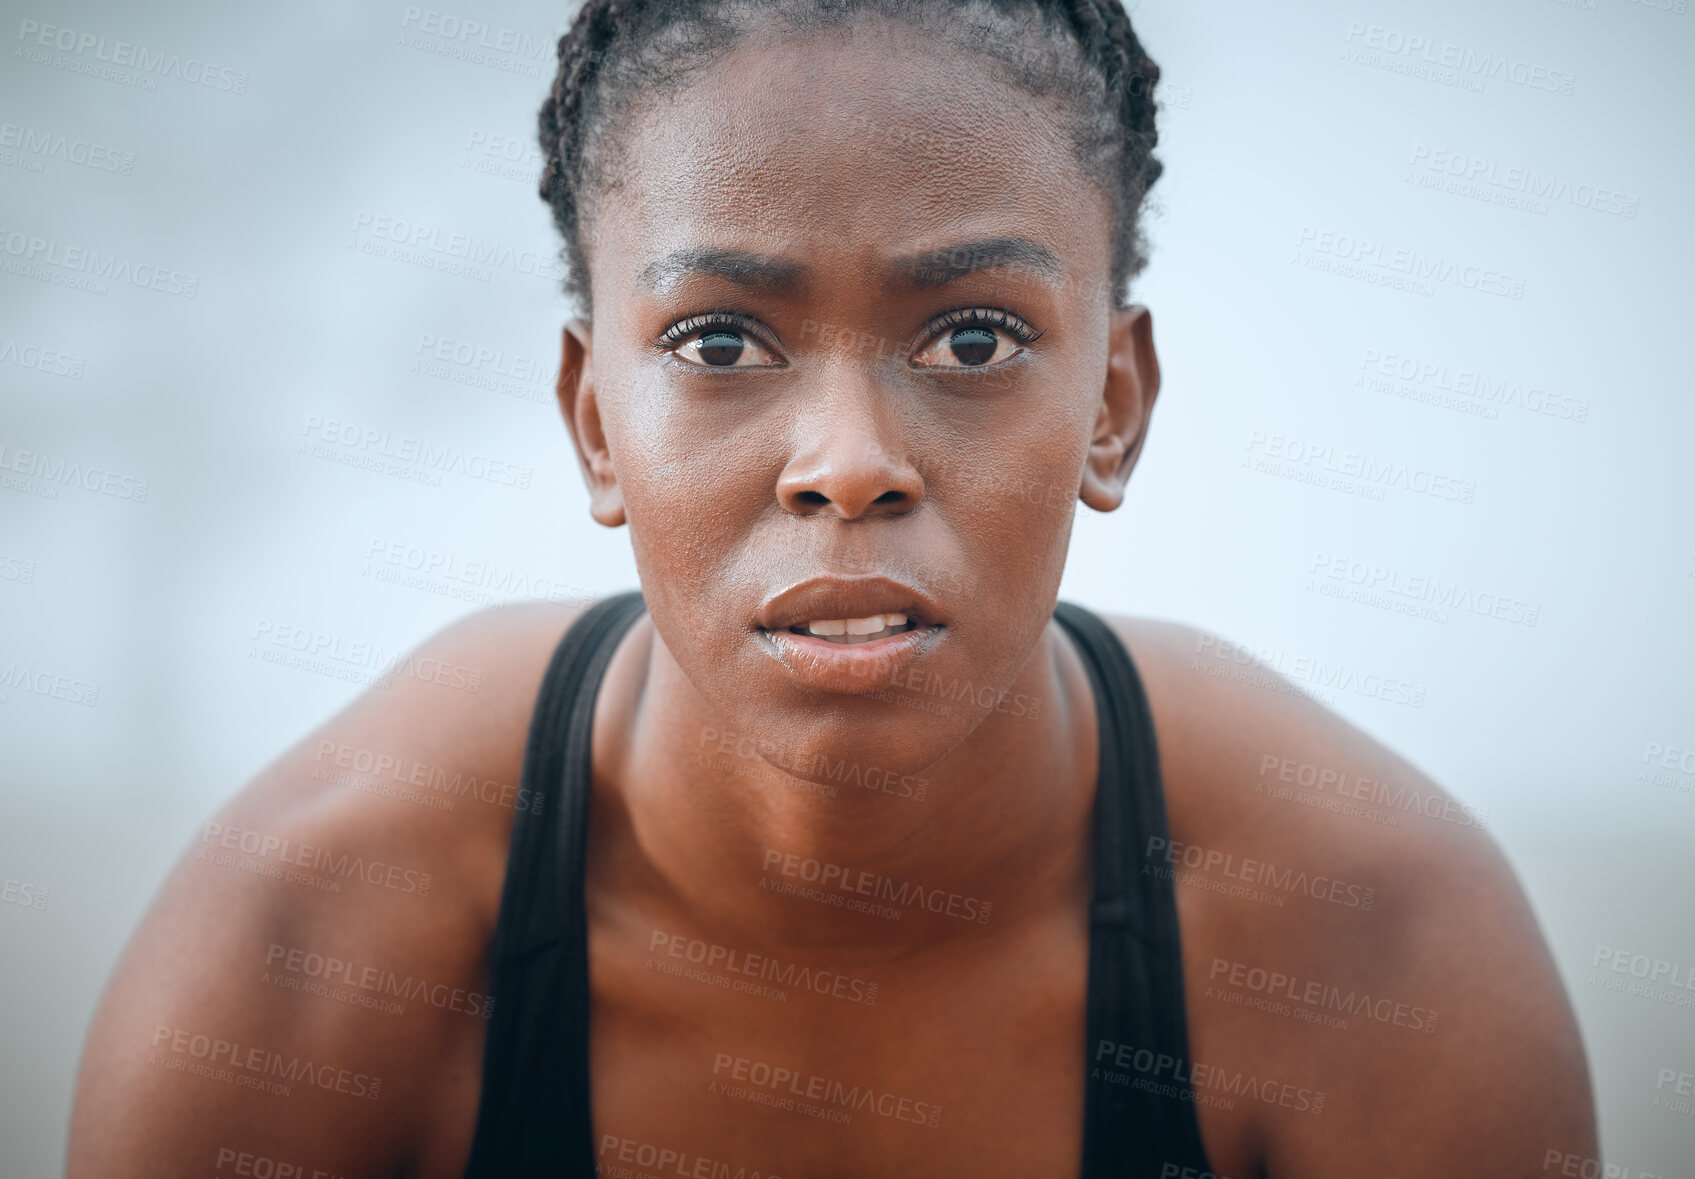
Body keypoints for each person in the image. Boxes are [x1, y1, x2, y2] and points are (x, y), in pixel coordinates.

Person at [67, 2, 1597, 1175]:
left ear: (1115, 405)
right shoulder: (300, 952)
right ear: (596, 423)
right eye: (719, 343)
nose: (849, 465)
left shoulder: (1383, 956)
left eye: (975, 339)